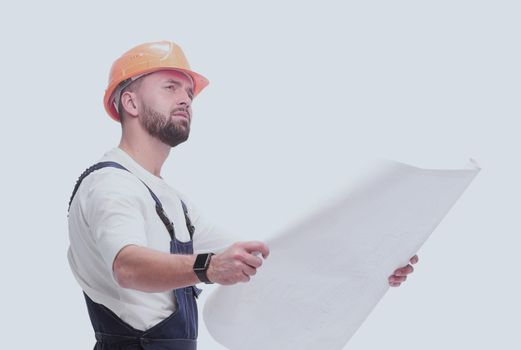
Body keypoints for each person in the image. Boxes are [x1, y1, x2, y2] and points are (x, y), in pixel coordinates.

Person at [66, 40, 418, 350]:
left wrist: (369, 266)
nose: (185, 100)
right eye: (170, 87)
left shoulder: (173, 202)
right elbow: (127, 267)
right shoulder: (111, 184)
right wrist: (208, 266)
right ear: (130, 101)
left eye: (189, 93)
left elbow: (264, 261)